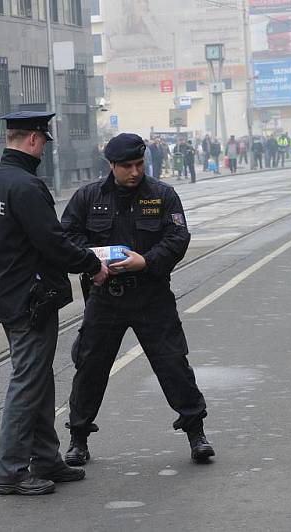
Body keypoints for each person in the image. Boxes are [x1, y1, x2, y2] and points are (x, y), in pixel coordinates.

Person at [61, 132, 215, 467]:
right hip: (105, 297)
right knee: (90, 369)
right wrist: (92, 263)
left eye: (139, 164)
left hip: (151, 295)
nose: (135, 171)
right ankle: (78, 438)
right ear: (111, 165)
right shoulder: (88, 197)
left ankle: (196, 433)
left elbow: (178, 236)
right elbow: (68, 238)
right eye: (127, 166)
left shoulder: (162, 195)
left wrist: (146, 261)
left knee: (173, 364)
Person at [0, 111, 109, 496]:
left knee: (36, 379)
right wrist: (92, 265)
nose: (44, 150)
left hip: (7, 292)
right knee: (26, 382)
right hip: (32, 297)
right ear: (34, 140)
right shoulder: (27, 186)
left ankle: (46, 458)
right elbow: (52, 241)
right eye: (44, 143)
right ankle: (11, 470)